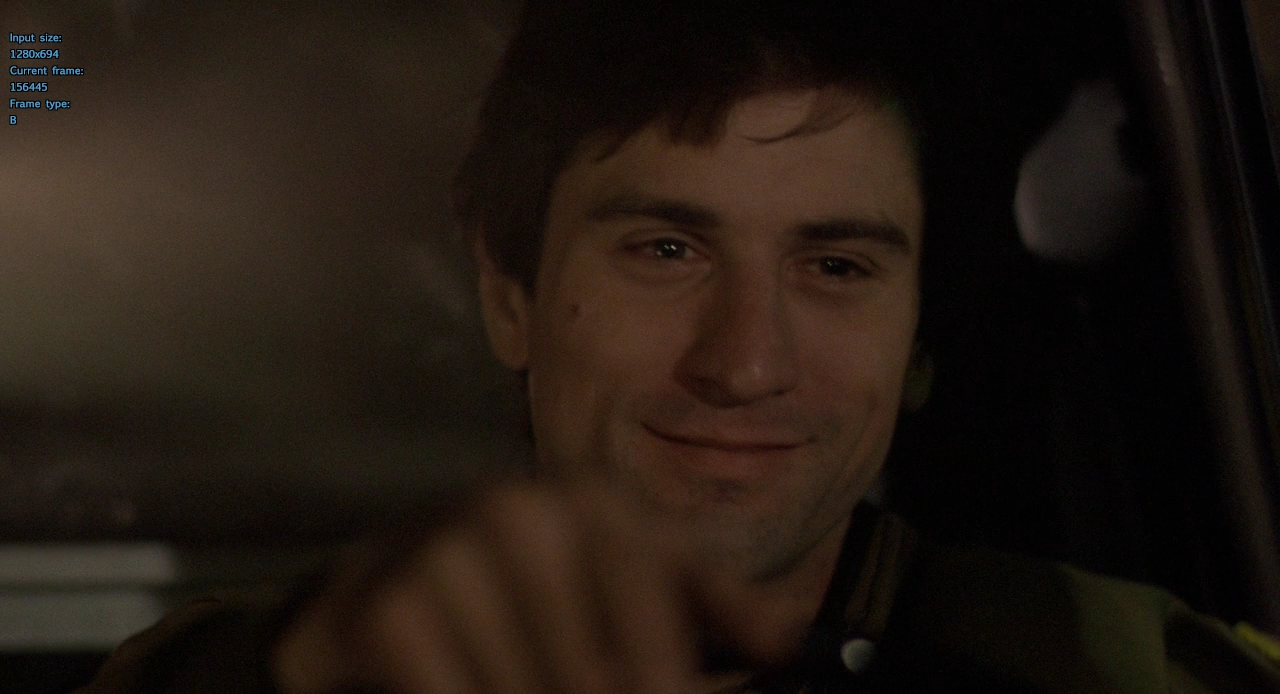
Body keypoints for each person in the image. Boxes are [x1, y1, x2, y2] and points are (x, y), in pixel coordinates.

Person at [80, 1, 1280, 692]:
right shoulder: (274, 670)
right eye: (665, 250)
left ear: (919, 339)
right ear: (508, 295)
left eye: (835, 267)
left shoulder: (1128, 671)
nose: (744, 362)